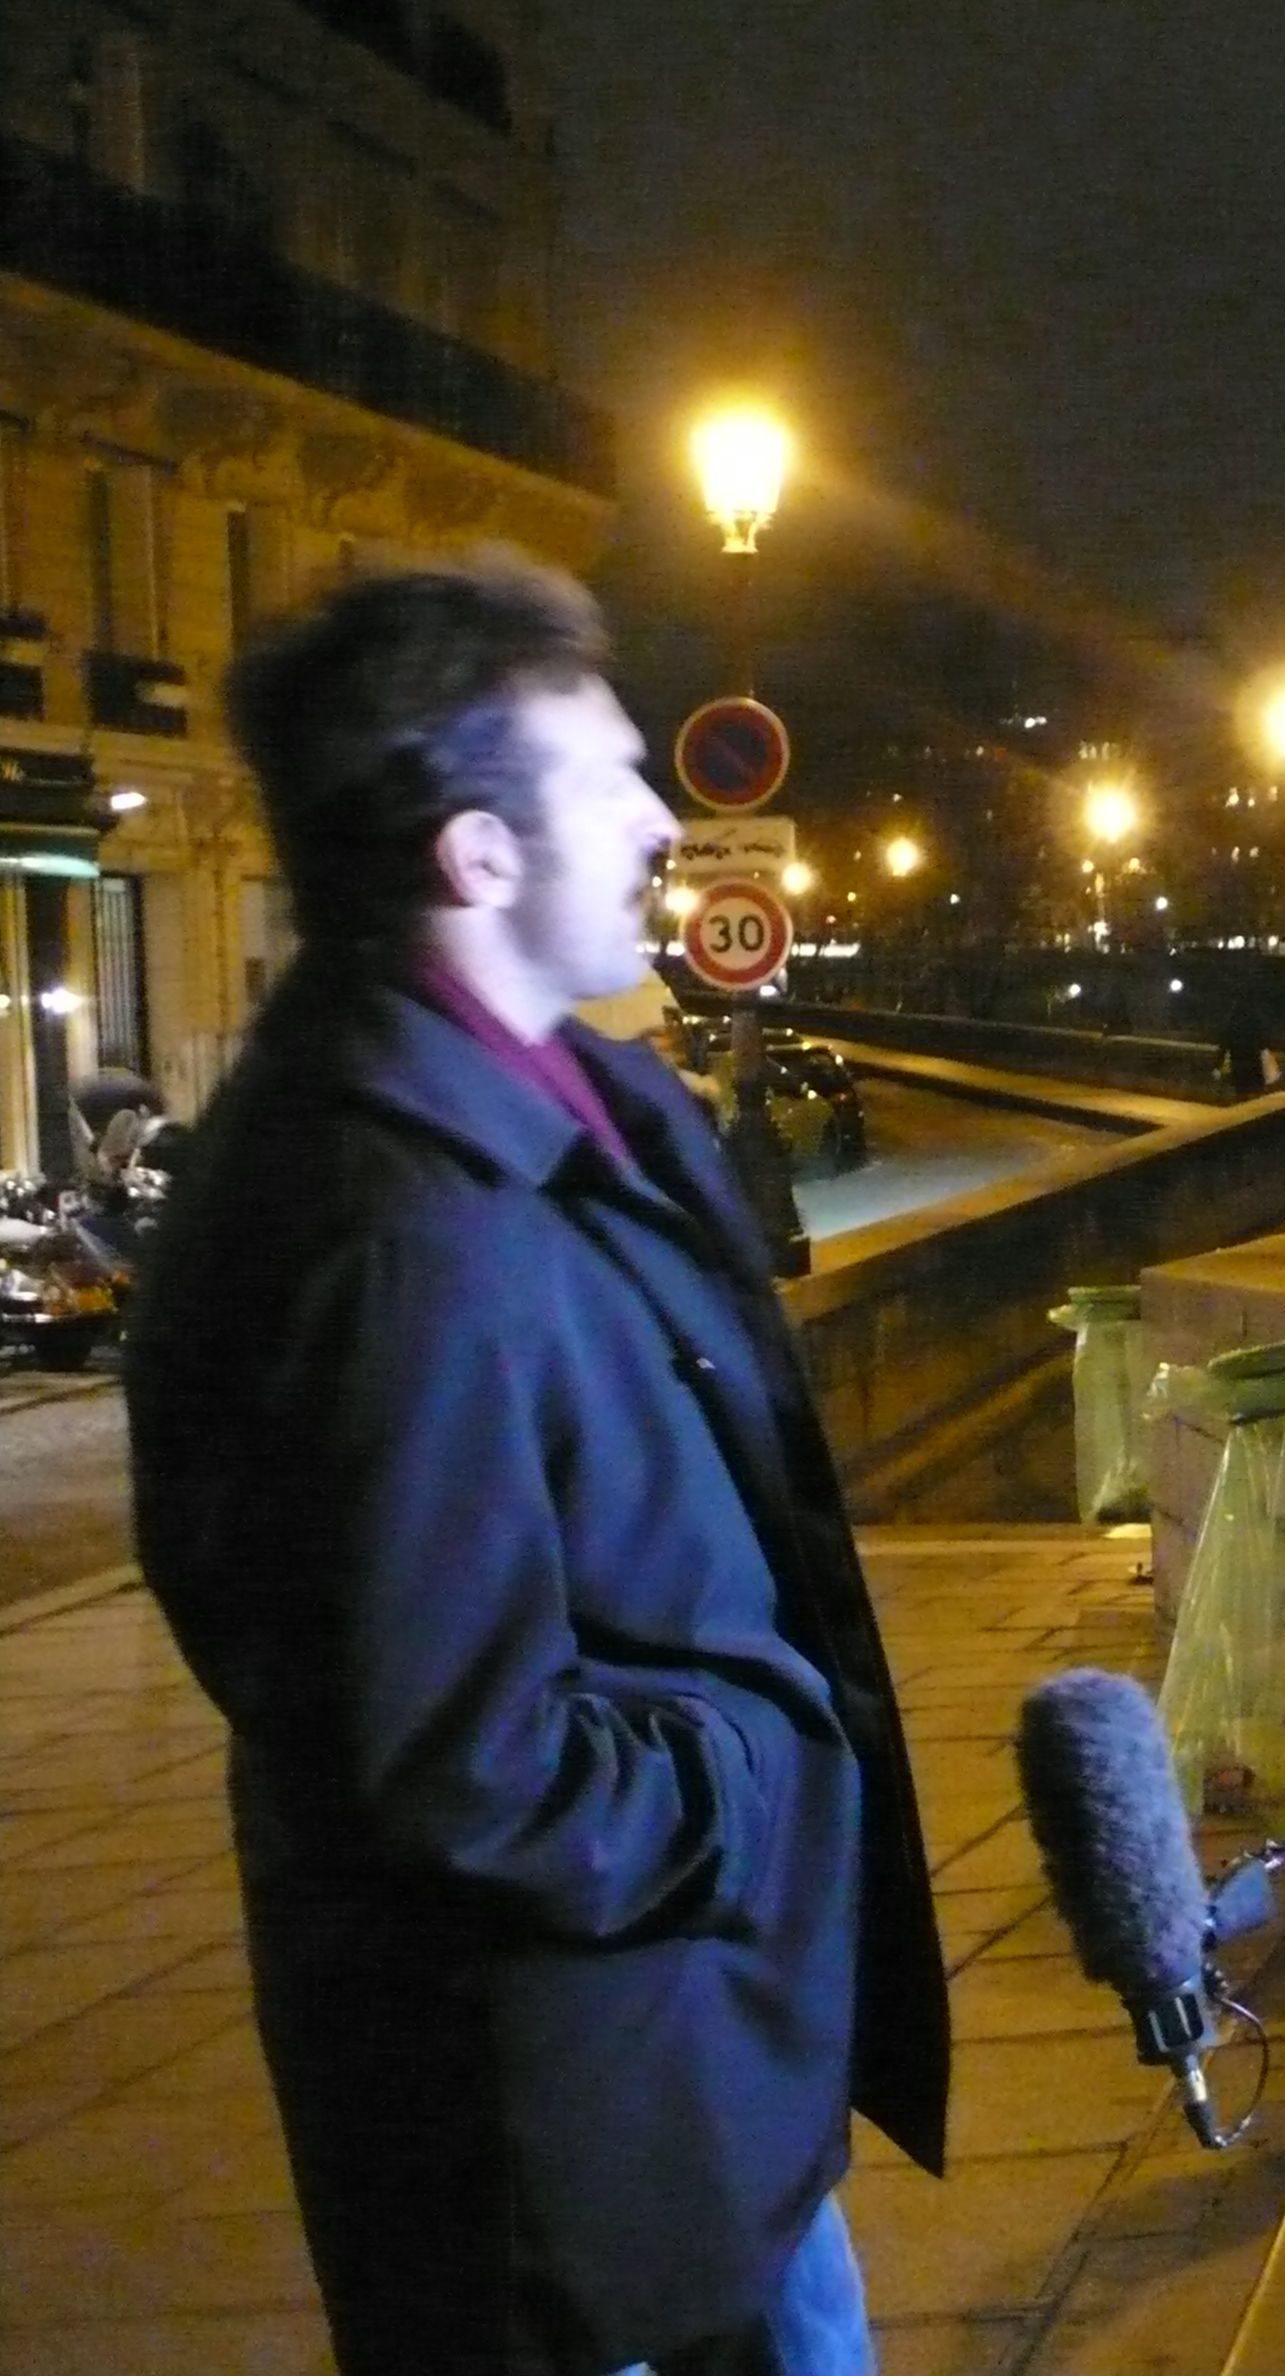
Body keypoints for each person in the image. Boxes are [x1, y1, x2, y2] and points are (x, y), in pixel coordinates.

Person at [126, 556, 951, 2375]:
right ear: (476, 856)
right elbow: (457, 1764)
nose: (667, 821)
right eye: (610, 780)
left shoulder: (572, 1105)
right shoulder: (389, 1228)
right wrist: (767, 1770)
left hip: (689, 2061)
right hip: (567, 2142)